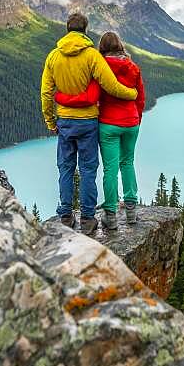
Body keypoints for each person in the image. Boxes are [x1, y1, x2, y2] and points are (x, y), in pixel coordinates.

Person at [41, 13, 138, 234]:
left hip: (65, 121)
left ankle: (65, 216)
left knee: (65, 168)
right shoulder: (92, 56)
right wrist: (131, 93)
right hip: (87, 122)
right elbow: (111, 85)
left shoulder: (53, 56)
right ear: (85, 30)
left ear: (67, 29)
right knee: (87, 170)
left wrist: (50, 120)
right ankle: (87, 219)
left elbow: (46, 93)